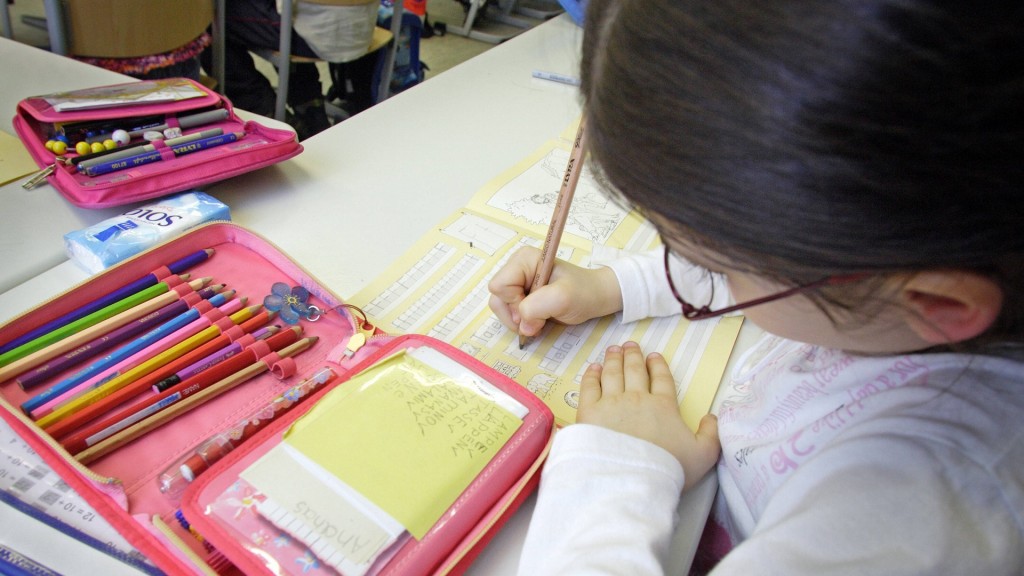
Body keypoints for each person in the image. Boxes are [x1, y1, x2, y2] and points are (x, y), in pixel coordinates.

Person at [487, 1, 1024, 574]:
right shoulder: (902, 263)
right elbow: (778, 267)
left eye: (713, 265)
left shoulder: (912, 517)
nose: (699, 272)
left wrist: (617, 471)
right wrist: (609, 285)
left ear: (939, 303)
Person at [204, 0, 378, 140]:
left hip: (318, 32)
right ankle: (310, 110)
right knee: (281, 10)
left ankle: (264, 112)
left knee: (208, 20)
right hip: (364, 24)